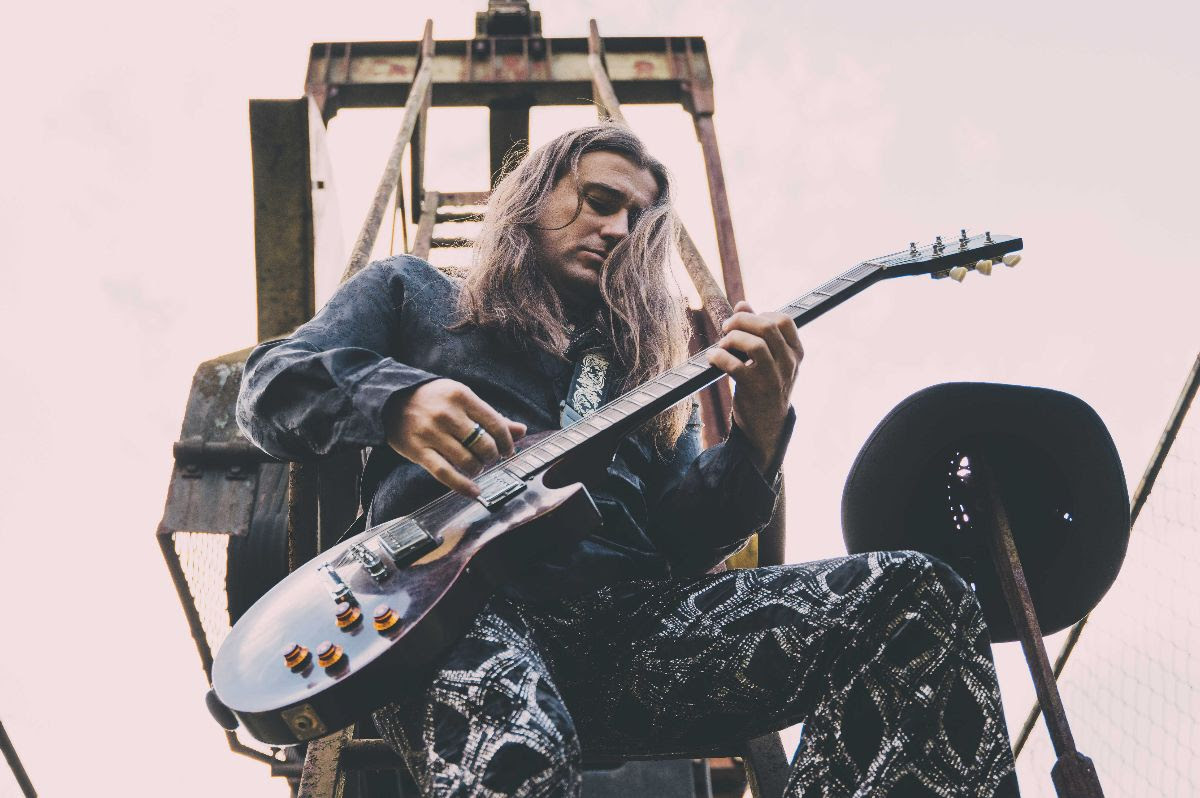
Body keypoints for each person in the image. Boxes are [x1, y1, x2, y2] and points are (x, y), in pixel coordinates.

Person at [237, 124, 1018, 797]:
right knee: (517, 760)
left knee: (920, 597)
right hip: (451, 617)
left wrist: (756, 435)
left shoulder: (646, 378)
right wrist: (397, 402)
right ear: (533, 199)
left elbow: (684, 541)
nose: (617, 229)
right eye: (599, 201)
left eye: (639, 220)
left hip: (635, 634)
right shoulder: (413, 293)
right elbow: (268, 387)